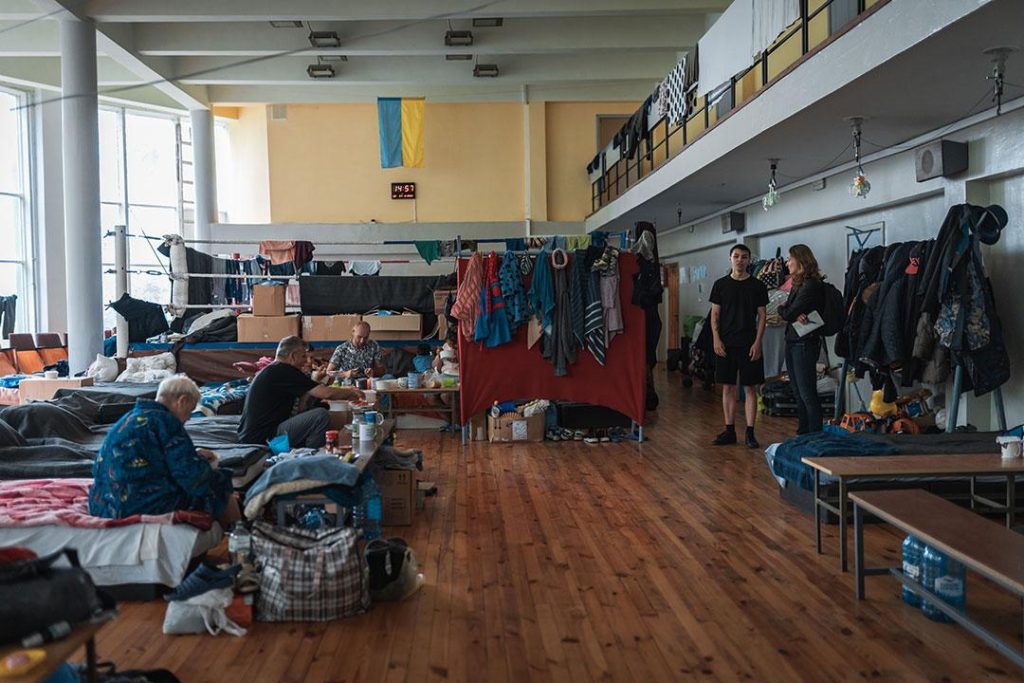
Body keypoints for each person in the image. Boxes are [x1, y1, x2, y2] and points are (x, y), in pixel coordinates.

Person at [89, 375, 240, 527]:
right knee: (219, 481)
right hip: (137, 504)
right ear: (182, 400)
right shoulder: (167, 422)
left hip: (102, 504)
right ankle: (239, 534)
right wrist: (208, 463)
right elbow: (192, 477)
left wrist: (193, 454)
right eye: (189, 411)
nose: (188, 419)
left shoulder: (130, 417)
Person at [238, 336, 363, 448]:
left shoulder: (274, 370)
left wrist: (316, 382)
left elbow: (303, 404)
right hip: (263, 437)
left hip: (259, 433)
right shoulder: (284, 371)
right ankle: (310, 454)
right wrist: (351, 392)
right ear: (292, 356)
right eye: (303, 356)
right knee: (320, 415)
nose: (306, 361)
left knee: (319, 409)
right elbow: (326, 394)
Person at [709, 244, 768, 448]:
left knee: (750, 387)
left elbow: (762, 316)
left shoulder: (757, 286)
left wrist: (758, 342)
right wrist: (716, 339)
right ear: (730, 259)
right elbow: (714, 314)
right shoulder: (720, 285)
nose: (740, 260)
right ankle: (729, 430)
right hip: (726, 343)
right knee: (727, 387)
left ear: (749, 260)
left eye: (744, 257)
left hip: (749, 343)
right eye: (736, 256)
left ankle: (750, 432)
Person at [778, 244, 826, 434]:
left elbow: (787, 311)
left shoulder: (811, 285)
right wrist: (791, 312)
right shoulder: (798, 283)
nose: (787, 263)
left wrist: (790, 312)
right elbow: (787, 311)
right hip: (794, 341)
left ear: (801, 260)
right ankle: (803, 431)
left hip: (804, 344)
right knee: (798, 391)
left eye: (790, 259)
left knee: (807, 392)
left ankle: (814, 433)